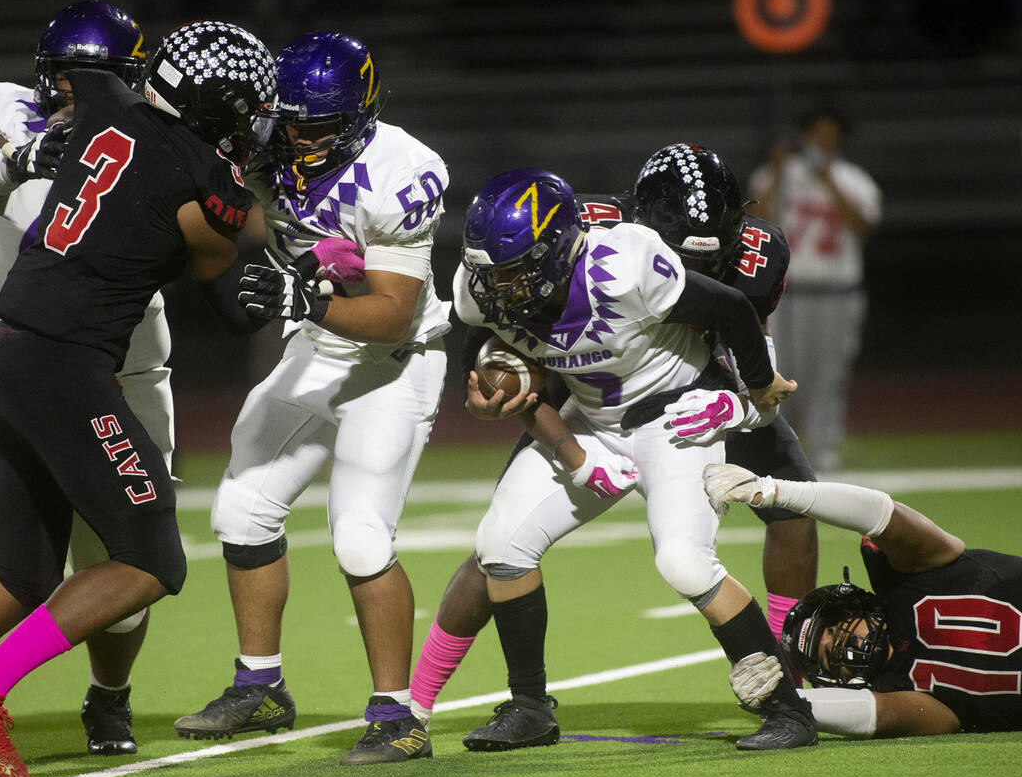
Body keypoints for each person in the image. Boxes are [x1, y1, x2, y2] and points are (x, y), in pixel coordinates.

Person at [0, 19, 275, 777]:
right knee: (151, 560)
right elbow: (234, 303)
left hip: (0, 358)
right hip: (65, 373)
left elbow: (90, 90)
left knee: (22, 575)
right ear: (223, 110)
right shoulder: (208, 182)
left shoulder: (101, 113)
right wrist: (290, 290)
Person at [409, 145, 820, 729]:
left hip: (676, 413)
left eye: (513, 270)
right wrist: (554, 442)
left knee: (685, 560)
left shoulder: (629, 264)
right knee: (500, 545)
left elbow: (734, 313)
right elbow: (525, 376)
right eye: (490, 271)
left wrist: (747, 395)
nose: (497, 285)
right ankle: (526, 707)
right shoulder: (484, 290)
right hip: (590, 413)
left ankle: (788, 704)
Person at [0, 1, 163, 755]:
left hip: (121, 371)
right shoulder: (9, 113)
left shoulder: (164, 128)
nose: (79, 92)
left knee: (121, 569)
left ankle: (110, 695)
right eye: (68, 80)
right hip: (9, 356)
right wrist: (19, 160)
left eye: (97, 79)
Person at [173, 31, 449, 766]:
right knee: (239, 508)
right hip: (318, 350)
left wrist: (302, 292)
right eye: (289, 121)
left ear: (360, 114)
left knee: (360, 535)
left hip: (394, 360)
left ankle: (399, 716)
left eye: (318, 126)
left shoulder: (403, 169)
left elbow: (391, 309)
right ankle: (260, 685)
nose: (298, 138)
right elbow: (256, 212)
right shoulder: (267, 138)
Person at [705, 462, 1022, 737]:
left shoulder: (917, 574)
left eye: (829, 629)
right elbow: (878, 713)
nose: (835, 646)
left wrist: (774, 491)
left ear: (853, 605)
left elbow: (882, 514)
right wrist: (777, 696)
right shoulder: (896, 688)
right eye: (824, 657)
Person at [747, 105, 882, 472]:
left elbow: (863, 228)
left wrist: (829, 181)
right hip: (787, 292)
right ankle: (777, 443)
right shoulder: (779, 175)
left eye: (830, 136)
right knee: (780, 368)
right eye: (817, 134)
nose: (823, 142)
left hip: (838, 291)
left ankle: (825, 445)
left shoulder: (853, 179)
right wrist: (776, 169)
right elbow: (756, 224)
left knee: (830, 372)